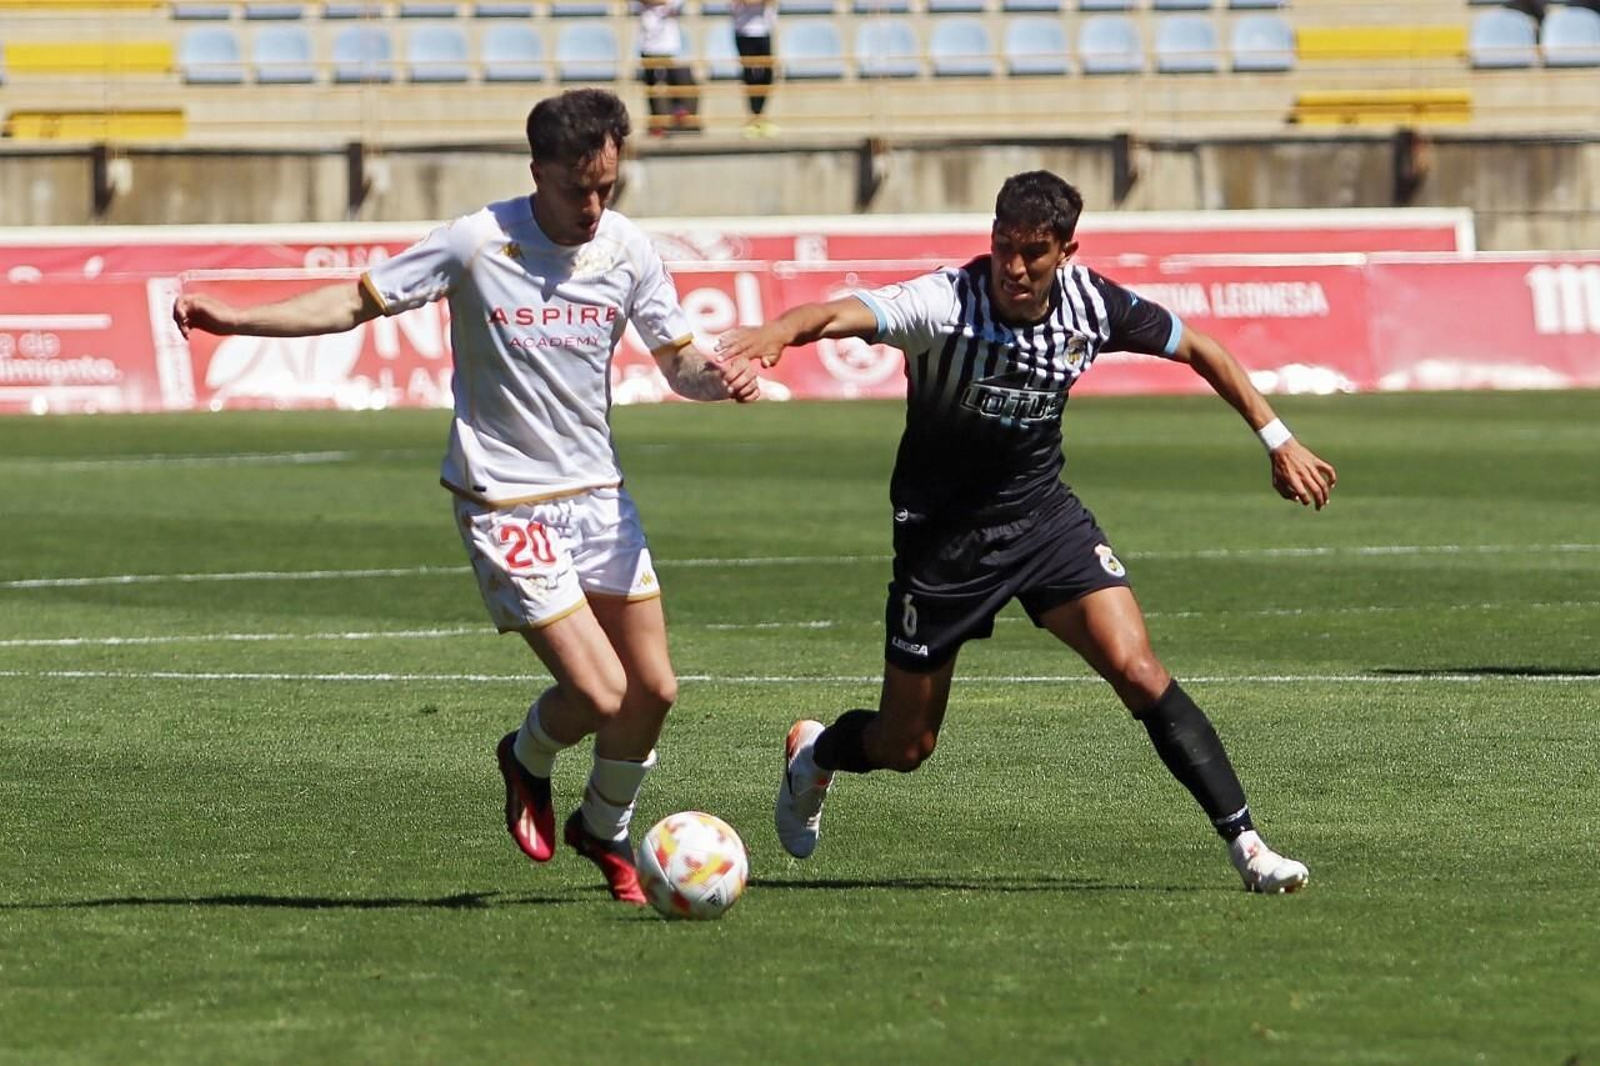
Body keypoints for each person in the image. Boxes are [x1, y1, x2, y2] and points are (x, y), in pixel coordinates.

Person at [173, 88, 761, 905]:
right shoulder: (476, 243)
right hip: (505, 500)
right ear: (537, 173)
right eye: (576, 188)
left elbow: (678, 358)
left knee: (654, 689)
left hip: (597, 496)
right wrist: (238, 319)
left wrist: (720, 376)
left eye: (607, 187)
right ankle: (526, 755)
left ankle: (605, 827)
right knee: (598, 693)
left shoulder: (627, 248)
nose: (593, 205)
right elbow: (353, 300)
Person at [715, 170, 1337, 894]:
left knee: (1137, 669)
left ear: (1066, 250)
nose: (1014, 266)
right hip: (944, 542)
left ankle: (1250, 848)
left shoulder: (1094, 307)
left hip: (1043, 520)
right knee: (905, 744)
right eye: (1003, 246)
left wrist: (1278, 440)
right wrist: (777, 333)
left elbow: (1200, 348)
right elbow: (835, 312)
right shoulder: (944, 303)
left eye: (1033, 253)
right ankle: (816, 755)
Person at [636, 0, 700, 136]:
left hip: (669, 45)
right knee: (652, 87)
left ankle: (676, 116)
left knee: (676, 81)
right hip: (647, 44)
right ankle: (656, 122)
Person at [730, 0, 776, 138]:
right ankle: (753, 116)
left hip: (764, 31)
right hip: (743, 32)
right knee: (749, 75)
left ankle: (760, 115)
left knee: (768, 74)